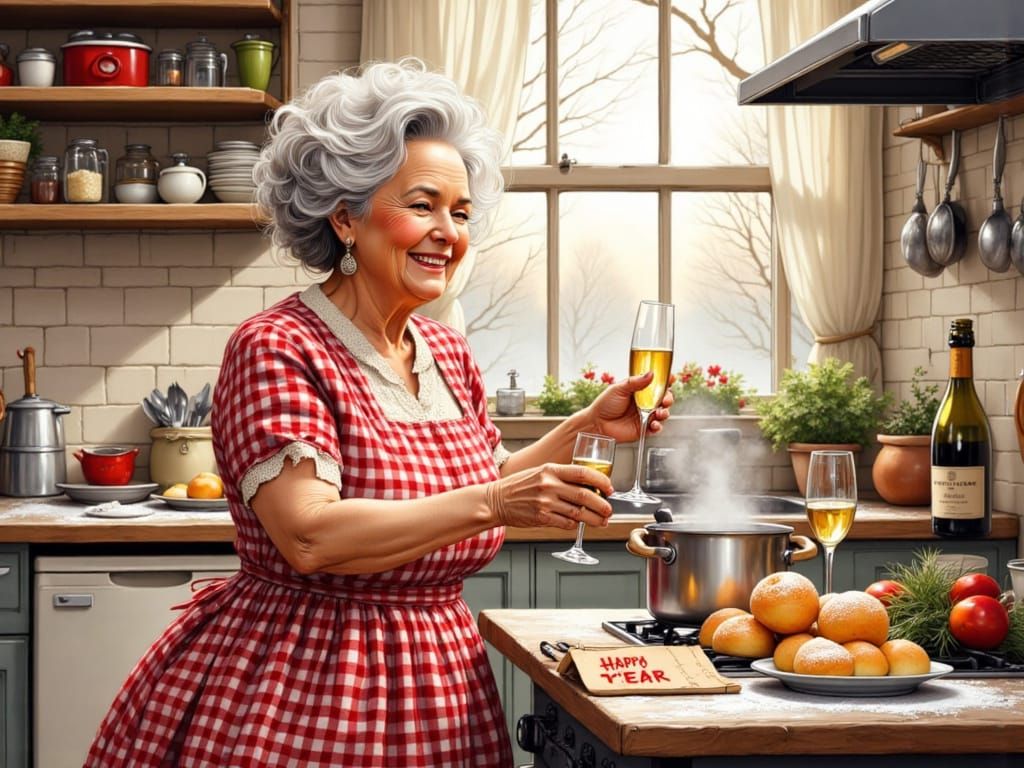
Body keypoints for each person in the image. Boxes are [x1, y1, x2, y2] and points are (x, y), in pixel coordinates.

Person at [85, 58, 673, 767]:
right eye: (422, 205)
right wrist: (495, 499)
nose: (447, 233)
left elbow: (480, 480)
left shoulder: (446, 352)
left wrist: (582, 427)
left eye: (459, 213)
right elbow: (311, 537)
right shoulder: (277, 346)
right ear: (345, 218)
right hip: (305, 685)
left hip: (440, 683)